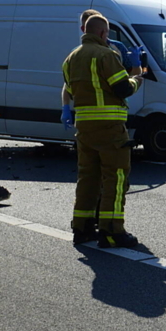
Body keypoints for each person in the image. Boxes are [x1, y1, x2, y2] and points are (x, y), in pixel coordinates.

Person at [62, 14, 143, 247]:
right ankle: (112, 231)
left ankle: (82, 228)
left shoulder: (70, 58)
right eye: (107, 33)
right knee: (115, 179)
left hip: (84, 128)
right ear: (102, 33)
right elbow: (123, 88)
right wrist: (137, 79)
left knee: (88, 178)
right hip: (109, 127)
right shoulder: (106, 55)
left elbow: (69, 90)